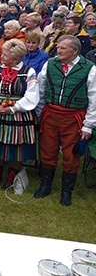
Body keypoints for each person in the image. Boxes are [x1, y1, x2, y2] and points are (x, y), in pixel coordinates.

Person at [35, 35, 96, 206]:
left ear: (75, 51)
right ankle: (45, 186)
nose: (58, 50)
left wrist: (88, 126)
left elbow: (94, 98)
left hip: (73, 117)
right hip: (50, 114)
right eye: (58, 47)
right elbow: (41, 88)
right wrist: (40, 113)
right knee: (48, 150)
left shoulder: (90, 69)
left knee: (71, 155)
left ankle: (66, 191)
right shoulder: (51, 64)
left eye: (62, 48)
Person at [0, 39, 39, 189]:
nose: (2, 57)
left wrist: (12, 108)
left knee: (15, 146)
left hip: (17, 113)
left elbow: (32, 96)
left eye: (5, 55)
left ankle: (11, 175)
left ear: (16, 58)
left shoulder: (28, 72)